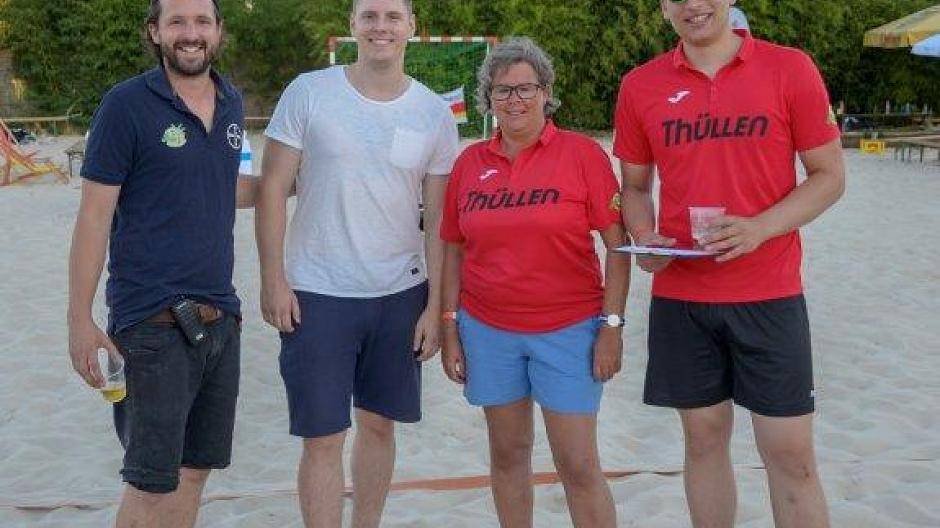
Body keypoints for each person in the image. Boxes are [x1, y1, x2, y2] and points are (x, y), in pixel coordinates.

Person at [614, 1, 845, 527]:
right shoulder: (641, 85)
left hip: (769, 291)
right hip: (683, 296)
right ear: (664, 8)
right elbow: (635, 187)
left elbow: (830, 176)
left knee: (790, 453)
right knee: (703, 440)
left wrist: (761, 226)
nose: (693, 5)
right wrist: (645, 236)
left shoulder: (789, 67)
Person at [255, 0, 459, 526]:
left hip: (400, 294)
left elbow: (439, 221)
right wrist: (273, 280)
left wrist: (435, 307)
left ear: (412, 26)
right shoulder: (309, 92)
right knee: (322, 437)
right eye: (369, 16)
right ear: (352, 25)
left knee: (379, 426)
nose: (380, 26)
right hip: (317, 292)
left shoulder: (434, 113)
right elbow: (273, 189)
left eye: (392, 16)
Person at [66, 0, 256, 526]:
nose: (190, 33)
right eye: (177, 22)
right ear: (155, 32)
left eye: (201, 22)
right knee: (151, 483)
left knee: (194, 472)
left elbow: (224, 187)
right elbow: (93, 217)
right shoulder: (126, 105)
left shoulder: (232, 102)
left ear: (218, 31)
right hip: (151, 324)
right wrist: (79, 319)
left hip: (221, 320)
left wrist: (294, 183)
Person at [440, 37, 629, 528]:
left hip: (570, 330)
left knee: (578, 464)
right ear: (488, 99)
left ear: (546, 92)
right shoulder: (469, 164)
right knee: (508, 455)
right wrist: (449, 326)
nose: (514, 100)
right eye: (502, 90)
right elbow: (453, 249)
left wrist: (612, 326)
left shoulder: (582, 155)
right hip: (488, 331)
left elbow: (618, 247)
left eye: (525, 88)